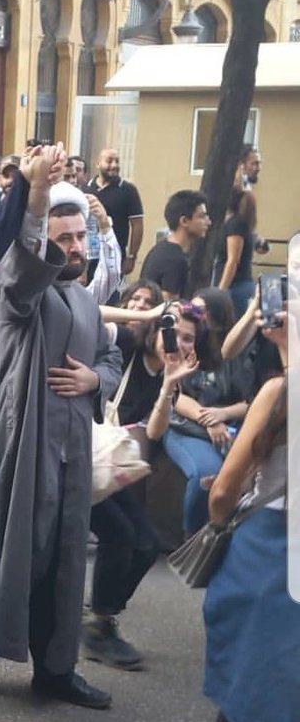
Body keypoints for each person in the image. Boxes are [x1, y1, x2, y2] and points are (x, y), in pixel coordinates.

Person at [0, 147, 123, 710]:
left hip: (74, 451)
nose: (73, 248)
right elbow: (22, 264)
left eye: (79, 239)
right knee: (17, 556)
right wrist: (38, 199)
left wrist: (96, 379)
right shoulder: (22, 293)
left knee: (69, 562)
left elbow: (112, 360)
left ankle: (56, 670)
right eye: (62, 238)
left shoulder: (88, 301)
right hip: (27, 452)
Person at [201, 340, 297, 722]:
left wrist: (218, 530)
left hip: (261, 558)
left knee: (237, 703)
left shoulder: (279, 392)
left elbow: (223, 491)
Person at [83, 300, 200, 669]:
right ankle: (99, 626)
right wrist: (146, 315)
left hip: (111, 466)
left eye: (187, 339)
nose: (176, 343)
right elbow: (89, 312)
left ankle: (102, 614)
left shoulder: (171, 378)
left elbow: (154, 433)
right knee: (120, 536)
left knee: (148, 544)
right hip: (83, 456)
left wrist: (168, 385)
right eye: (172, 331)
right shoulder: (128, 345)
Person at [151, 291, 248, 536]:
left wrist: (222, 414)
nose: (192, 313)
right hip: (184, 427)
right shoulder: (181, 347)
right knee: (207, 474)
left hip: (228, 428)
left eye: (200, 310)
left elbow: (251, 400)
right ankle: (193, 537)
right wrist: (209, 420)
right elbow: (176, 395)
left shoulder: (232, 353)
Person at [140, 189, 210, 300]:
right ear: (184, 221)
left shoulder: (163, 248)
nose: (208, 222)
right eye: (202, 216)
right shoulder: (175, 259)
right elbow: (170, 305)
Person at [87, 147, 144, 276]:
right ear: (98, 164)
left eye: (117, 161)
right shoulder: (86, 188)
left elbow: (137, 224)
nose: (114, 165)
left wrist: (132, 256)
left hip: (115, 258)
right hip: (89, 258)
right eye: (109, 161)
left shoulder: (128, 190)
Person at [215, 188, 258, 316]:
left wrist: (221, 290)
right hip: (241, 284)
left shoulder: (235, 224)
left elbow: (233, 260)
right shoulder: (243, 223)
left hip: (234, 287)